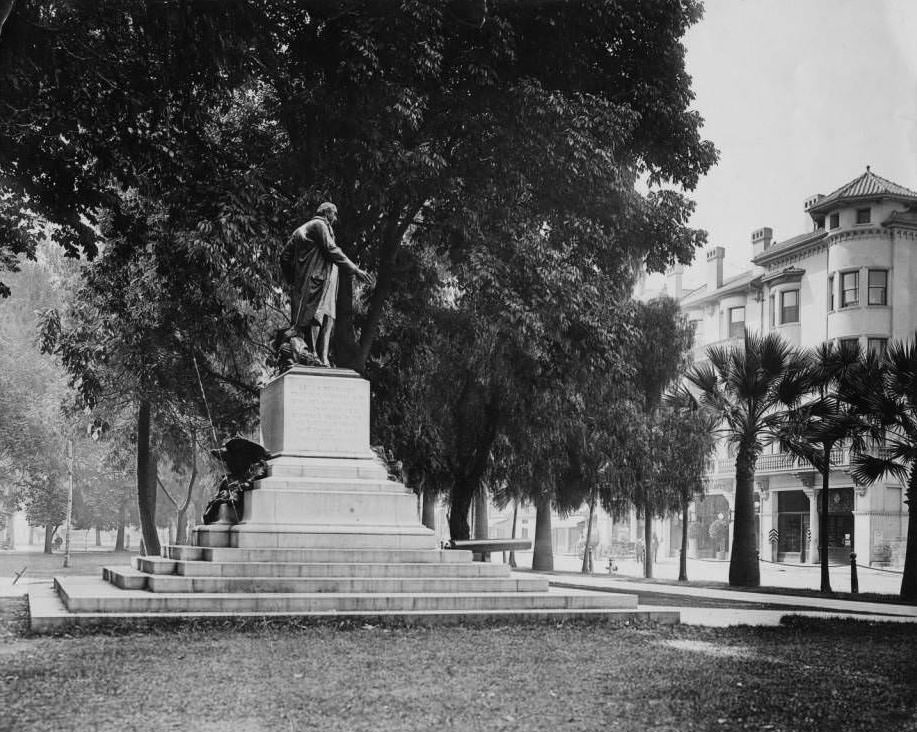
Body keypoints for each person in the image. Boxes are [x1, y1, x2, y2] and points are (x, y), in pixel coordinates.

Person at [282, 202, 374, 367]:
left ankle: (316, 356)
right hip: (316, 280)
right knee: (314, 316)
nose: (336, 217)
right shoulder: (319, 224)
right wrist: (355, 270)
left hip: (314, 281)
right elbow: (331, 249)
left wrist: (294, 278)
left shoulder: (300, 231)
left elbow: (284, 256)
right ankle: (311, 354)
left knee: (320, 318)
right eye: (334, 213)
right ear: (326, 212)